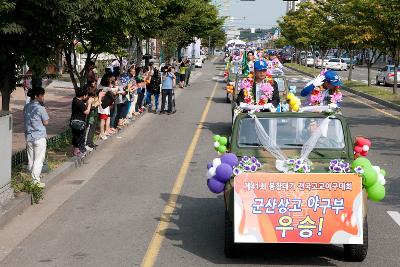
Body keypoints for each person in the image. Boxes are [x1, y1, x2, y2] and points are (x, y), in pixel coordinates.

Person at [23, 87, 49, 188]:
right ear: (37, 96)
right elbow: (46, 122)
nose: (43, 97)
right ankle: (35, 181)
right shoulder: (40, 108)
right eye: (42, 95)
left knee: (31, 159)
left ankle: (32, 179)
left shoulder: (26, 107)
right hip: (39, 136)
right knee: (39, 159)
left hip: (29, 136)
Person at [70, 86, 93, 157]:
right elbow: (87, 112)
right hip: (78, 122)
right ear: (84, 95)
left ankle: (75, 150)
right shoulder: (79, 103)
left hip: (74, 121)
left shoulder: (75, 99)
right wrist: (89, 103)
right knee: (79, 136)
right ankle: (76, 151)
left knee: (75, 136)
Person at [85, 81, 104, 150]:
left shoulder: (94, 97)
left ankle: (90, 142)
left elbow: (99, 102)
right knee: (89, 128)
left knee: (93, 129)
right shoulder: (90, 98)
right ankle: (87, 143)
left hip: (94, 114)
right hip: (91, 115)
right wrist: (99, 98)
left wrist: (99, 97)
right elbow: (97, 104)